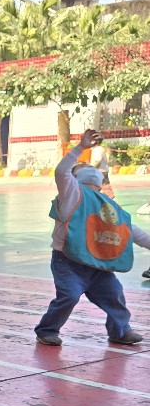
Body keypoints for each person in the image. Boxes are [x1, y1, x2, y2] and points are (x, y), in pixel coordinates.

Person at [34, 129, 148, 347]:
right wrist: (80, 148)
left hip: (97, 262)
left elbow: (127, 229)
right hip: (69, 260)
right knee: (70, 295)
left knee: (114, 294)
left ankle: (120, 330)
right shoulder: (72, 194)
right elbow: (62, 172)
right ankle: (47, 330)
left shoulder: (106, 205)